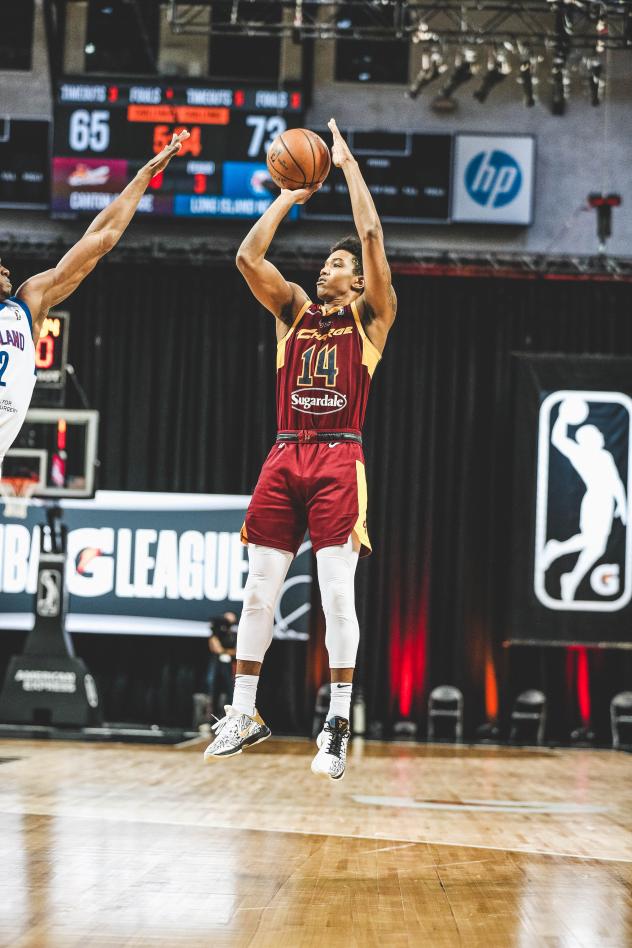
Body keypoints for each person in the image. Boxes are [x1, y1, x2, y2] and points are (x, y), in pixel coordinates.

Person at [204, 119, 397, 779]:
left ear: (355, 281)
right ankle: (243, 712)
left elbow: (370, 235)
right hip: (285, 454)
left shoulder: (370, 318)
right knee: (260, 589)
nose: (328, 266)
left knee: (335, 594)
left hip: (341, 457)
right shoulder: (293, 312)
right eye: (328, 261)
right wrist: (289, 191)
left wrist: (342, 166)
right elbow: (246, 259)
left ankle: (338, 719)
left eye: (338, 264)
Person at [0, 130, 189, 472]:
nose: (6, 267)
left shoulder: (26, 304)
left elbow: (99, 240)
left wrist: (143, 176)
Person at [541, 398, 627, 602]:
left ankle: (571, 579)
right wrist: (562, 417)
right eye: (595, 434)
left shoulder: (605, 456)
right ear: (587, 439)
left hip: (607, 503)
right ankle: (556, 549)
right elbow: (558, 439)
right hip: (595, 501)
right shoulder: (581, 454)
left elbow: (615, 482)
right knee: (591, 540)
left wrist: (623, 506)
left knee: (597, 548)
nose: (600, 435)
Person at [206, 611, 238, 714]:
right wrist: (227, 651)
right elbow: (216, 649)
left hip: (230, 665)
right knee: (214, 690)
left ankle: (231, 716)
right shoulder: (216, 634)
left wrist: (227, 652)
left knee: (231, 690)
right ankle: (212, 718)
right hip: (217, 664)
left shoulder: (235, 635)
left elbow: (238, 651)